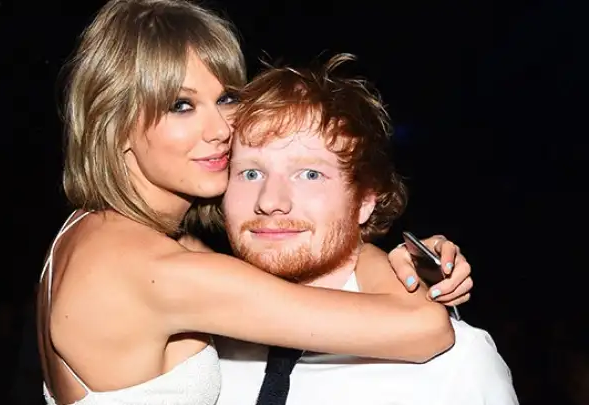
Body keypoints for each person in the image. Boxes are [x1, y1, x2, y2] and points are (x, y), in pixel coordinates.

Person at [37, 1, 475, 405]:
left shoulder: (90, 236)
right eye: (182, 105)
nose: (220, 130)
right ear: (115, 125)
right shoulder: (161, 272)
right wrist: (397, 267)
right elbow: (425, 328)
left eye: (226, 98)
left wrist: (389, 256)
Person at [213, 54, 518, 405]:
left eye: (310, 174)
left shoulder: (455, 366)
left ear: (365, 201)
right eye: (251, 173)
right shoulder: (196, 349)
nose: (270, 201)